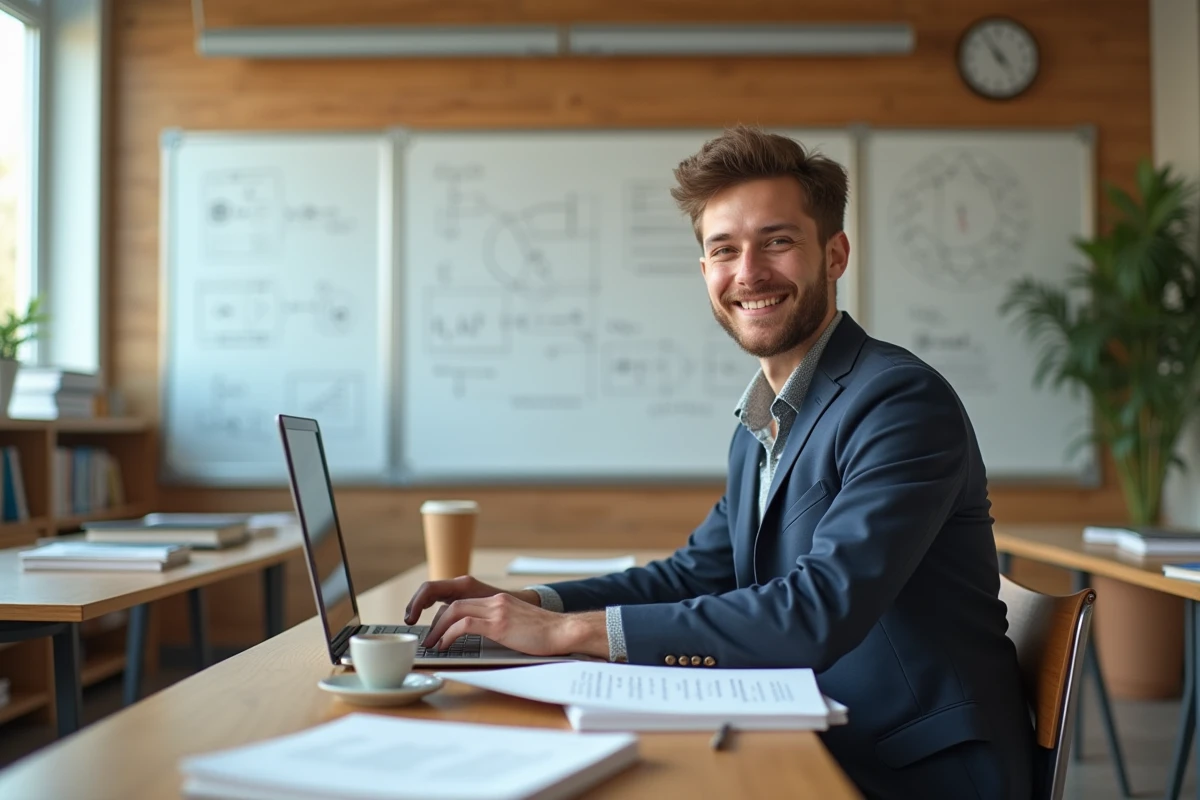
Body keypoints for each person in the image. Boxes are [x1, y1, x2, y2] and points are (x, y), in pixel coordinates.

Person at [405, 125, 1034, 800]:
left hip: (912, 769)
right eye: (724, 250)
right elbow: (693, 575)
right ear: (705, 271)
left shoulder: (899, 401)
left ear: (835, 253)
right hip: (817, 734)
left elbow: (816, 611)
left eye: (778, 241)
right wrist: (526, 605)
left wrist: (566, 633)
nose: (749, 273)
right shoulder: (762, 419)